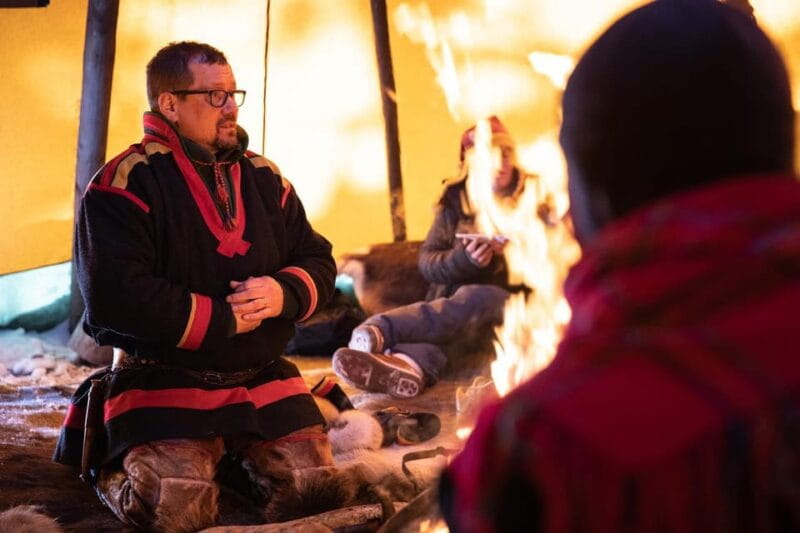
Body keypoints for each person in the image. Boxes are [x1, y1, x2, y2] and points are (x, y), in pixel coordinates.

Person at [440, 0, 800, 531]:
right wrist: (456, 260)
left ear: (590, 186)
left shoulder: (541, 451)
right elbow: (432, 264)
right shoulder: (452, 202)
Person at [53, 42, 350, 531]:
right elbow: (114, 295)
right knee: (178, 509)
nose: (230, 106)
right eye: (215, 95)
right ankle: (110, 462)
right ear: (169, 103)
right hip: (162, 378)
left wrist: (282, 293)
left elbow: (316, 257)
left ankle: (231, 458)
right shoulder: (124, 183)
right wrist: (225, 317)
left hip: (259, 375)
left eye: (233, 93)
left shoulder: (265, 176)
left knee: (315, 492)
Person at [333, 117, 537, 398]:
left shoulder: (535, 195)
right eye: (491, 154)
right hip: (457, 309)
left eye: (506, 153)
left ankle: (383, 331)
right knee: (455, 339)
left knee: (483, 298)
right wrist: (465, 260)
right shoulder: (454, 200)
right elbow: (428, 263)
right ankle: (406, 368)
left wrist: (514, 252)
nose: (501, 163)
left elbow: (555, 260)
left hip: (513, 308)